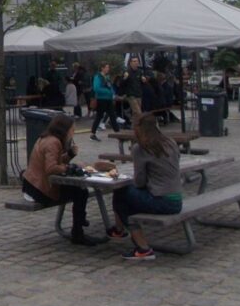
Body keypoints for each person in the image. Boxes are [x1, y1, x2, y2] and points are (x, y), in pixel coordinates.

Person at [107, 114, 183, 261]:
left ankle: (141, 246)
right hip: (177, 200)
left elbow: (139, 182)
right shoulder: (170, 142)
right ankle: (120, 231)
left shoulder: (141, 148)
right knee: (130, 198)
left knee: (121, 193)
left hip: (162, 200)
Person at [21, 114, 100, 246]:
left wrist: (70, 155)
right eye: (72, 130)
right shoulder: (53, 142)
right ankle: (78, 232)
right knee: (80, 192)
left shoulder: (47, 138)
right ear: (65, 130)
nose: (73, 133)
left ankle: (80, 222)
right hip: (39, 189)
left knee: (79, 190)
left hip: (32, 185)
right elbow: (51, 168)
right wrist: (70, 167)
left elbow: (55, 161)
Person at [90, 63, 118, 140]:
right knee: (99, 116)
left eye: (108, 67)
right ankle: (92, 133)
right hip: (101, 99)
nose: (108, 69)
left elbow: (110, 86)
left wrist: (113, 93)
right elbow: (96, 88)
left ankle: (117, 132)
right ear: (102, 68)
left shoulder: (107, 77)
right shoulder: (98, 77)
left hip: (108, 99)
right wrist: (107, 92)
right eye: (106, 67)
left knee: (112, 115)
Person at [121, 56, 147, 121]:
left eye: (137, 61)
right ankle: (141, 125)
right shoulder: (127, 72)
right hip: (131, 94)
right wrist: (125, 78)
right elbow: (121, 84)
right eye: (134, 61)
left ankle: (135, 125)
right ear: (130, 63)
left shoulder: (140, 72)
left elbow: (143, 83)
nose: (136, 62)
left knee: (135, 113)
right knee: (138, 112)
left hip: (138, 94)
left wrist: (144, 80)